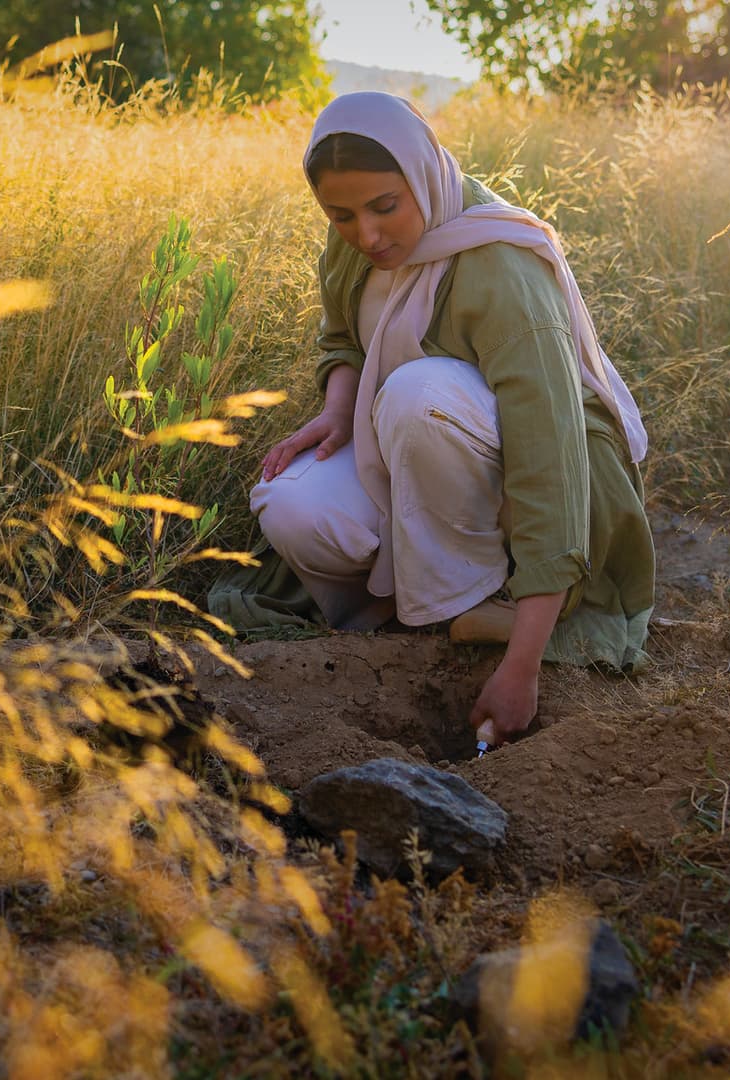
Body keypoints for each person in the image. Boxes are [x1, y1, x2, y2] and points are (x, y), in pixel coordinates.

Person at [247, 91, 655, 746]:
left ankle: (486, 604)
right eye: (342, 215)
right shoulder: (359, 239)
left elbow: (549, 460)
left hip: (538, 474)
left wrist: (522, 668)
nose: (367, 235)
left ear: (422, 173)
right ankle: (406, 607)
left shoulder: (499, 264)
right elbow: (342, 337)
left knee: (417, 393)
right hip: (412, 445)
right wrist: (337, 410)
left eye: (385, 206)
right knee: (290, 505)